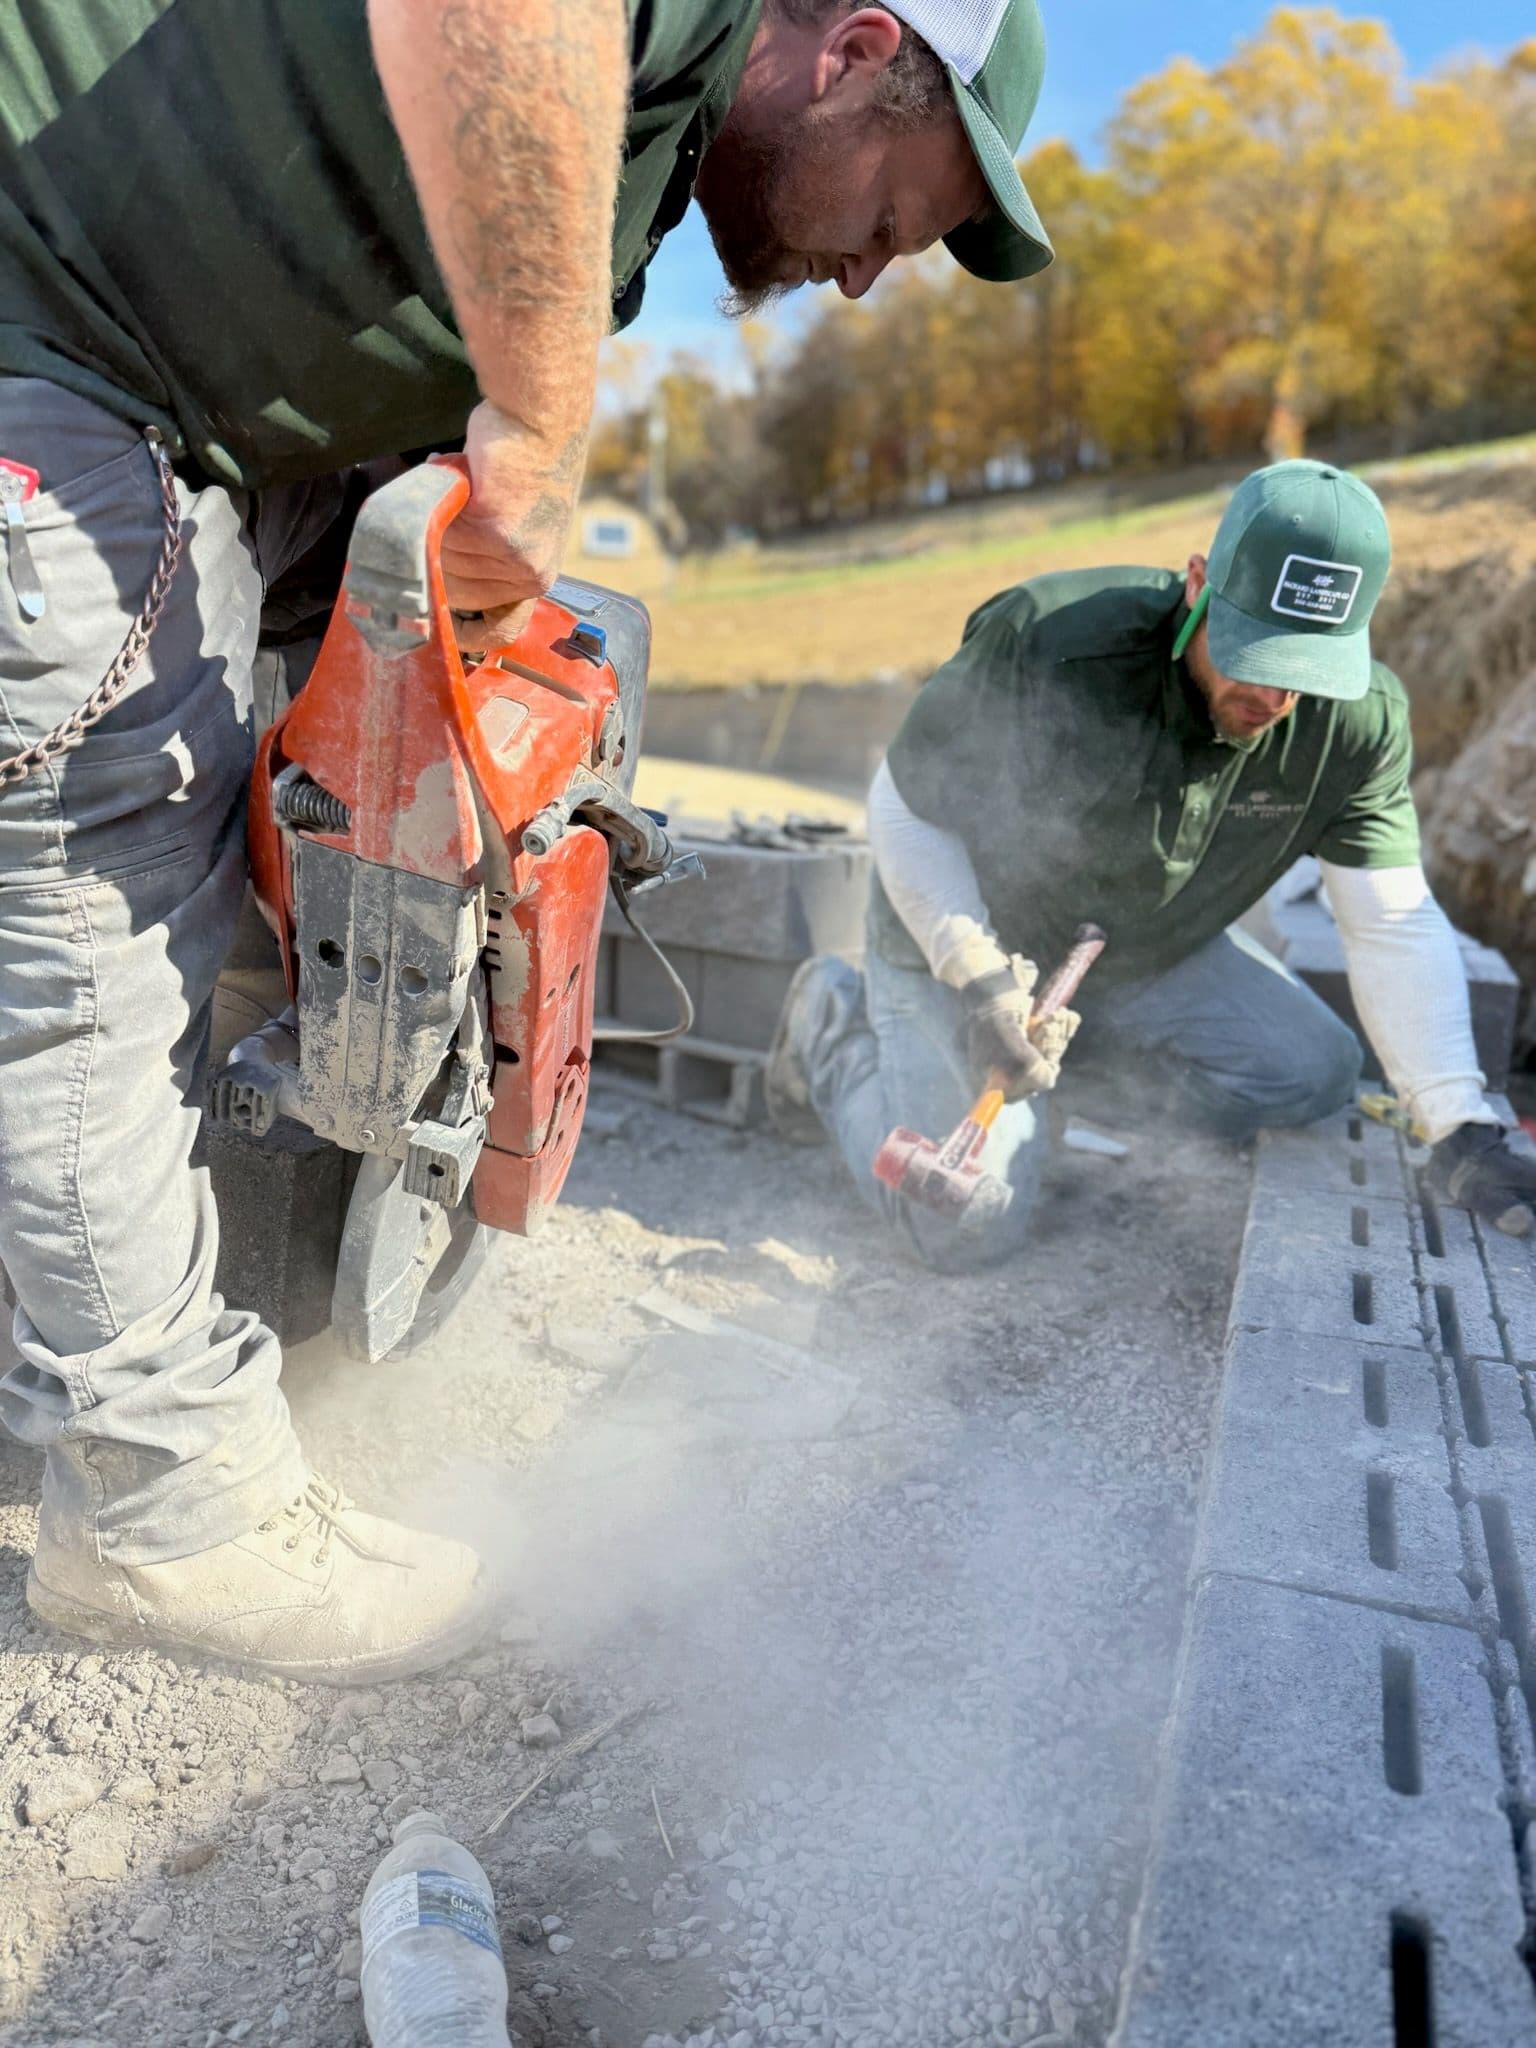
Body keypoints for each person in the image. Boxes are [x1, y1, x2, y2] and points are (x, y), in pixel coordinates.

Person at [0, 0, 1054, 1680]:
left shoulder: (661, 115)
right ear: (857, 49)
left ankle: (102, 1289)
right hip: (53, 353)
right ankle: (158, 1508)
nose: (867, 276)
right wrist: (542, 426)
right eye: (893, 220)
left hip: (171, 397)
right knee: (92, 915)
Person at [766, 459, 1536, 1271]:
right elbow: (905, 804)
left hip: (1136, 948)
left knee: (1313, 1073)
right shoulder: (1048, 641)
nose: (1275, 699)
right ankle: (834, 1023)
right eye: (1256, 654)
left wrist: (1460, 1124)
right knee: (960, 1226)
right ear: (1198, 583)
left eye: (1303, 674)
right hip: (960, 940)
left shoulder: (1357, 728)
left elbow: (1389, 918)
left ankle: (1039, 1096)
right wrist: (978, 977)